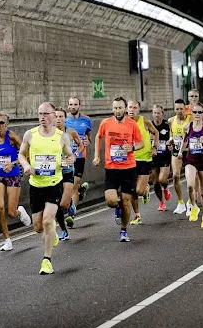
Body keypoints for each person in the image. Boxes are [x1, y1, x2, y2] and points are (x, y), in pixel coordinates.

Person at [18, 103, 76, 274]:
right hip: (36, 185)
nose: (42, 117)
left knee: (47, 221)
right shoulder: (30, 134)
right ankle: (52, 234)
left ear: (53, 115)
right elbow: (21, 154)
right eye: (40, 114)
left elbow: (70, 155)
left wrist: (70, 160)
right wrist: (26, 164)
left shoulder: (61, 136)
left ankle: (47, 261)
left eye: (46, 114)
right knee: (38, 227)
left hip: (54, 185)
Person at [93, 97, 143, 242]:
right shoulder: (106, 123)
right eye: (115, 108)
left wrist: (132, 147)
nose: (117, 111)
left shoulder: (132, 124)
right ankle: (117, 207)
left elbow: (141, 143)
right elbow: (98, 137)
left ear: (125, 109)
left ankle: (123, 230)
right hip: (111, 168)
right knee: (111, 201)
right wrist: (97, 156)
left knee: (126, 201)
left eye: (120, 108)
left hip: (128, 168)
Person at [0, 112, 31, 252]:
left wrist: (13, 163)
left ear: (7, 124)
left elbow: (26, 153)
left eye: (1, 122)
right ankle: (7, 240)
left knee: (10, 212)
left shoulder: (12, 137)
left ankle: (19, 212)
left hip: (13, 176)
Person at [177, 104, 203, 227]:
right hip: (191, 160)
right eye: (195, 112)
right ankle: (193, 207)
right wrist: (180, 152)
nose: (197, 115)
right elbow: (185, 140)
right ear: (191, 113)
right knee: (190, 186)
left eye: (200, 112)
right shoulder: (188, 126)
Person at [54, 107, 84, 241]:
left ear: (65, 119)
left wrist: (75, 155)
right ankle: (63, 230)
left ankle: (70, 203)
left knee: (63, 204)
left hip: (67, 171)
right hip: (53, 172)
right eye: (56, 116)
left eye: (61, 117)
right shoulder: (49, 133)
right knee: (55, 202)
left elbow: (81, 145)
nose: (58, 119)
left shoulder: (70, 132)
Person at [127, 99, 159, 225]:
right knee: (131, 189)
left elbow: (155, 132)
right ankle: (137, 215)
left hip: (144, 159)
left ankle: (145, 189)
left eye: (135, 108)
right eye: (130, 107)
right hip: (130, 159)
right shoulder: (124, 123)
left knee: (139, 191)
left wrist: (154, 147)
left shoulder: (144, 121)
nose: (132, 110)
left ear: (138, 110)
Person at [64, 97, 92, 227]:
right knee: (68, 187)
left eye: (75, 104)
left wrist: (88, 141)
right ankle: (80, 190)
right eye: (70, 104)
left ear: (80, 106)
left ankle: (71, 216)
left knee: (73, 185)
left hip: (79, 156)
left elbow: (88, 138)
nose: (73, 107)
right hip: (66, 158)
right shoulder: (64, 121)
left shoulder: (86, 120)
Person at [168, 99, 191, 215]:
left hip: (189, 151)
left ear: (185, 109)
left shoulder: (190, 119)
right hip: (177, 151)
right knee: (176, 176)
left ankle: (191, 202)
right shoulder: (171, 120)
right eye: (177, 109)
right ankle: (181, 203)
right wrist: (170, 140)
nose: (179, 111)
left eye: (181, 109)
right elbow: (171, 134)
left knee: (190, 178)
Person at [150, 105, 172, 210]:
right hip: (153, 157)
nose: (156, 115)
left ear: (162, 113)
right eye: (155, 113)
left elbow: (173, 137)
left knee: (162, 179)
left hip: (165, 156)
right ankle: (161, 202)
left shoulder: (167, 125)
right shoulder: (149, 126)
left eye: (159, 113)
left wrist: (170, 142)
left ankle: (166, 188)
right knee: (155, 182)